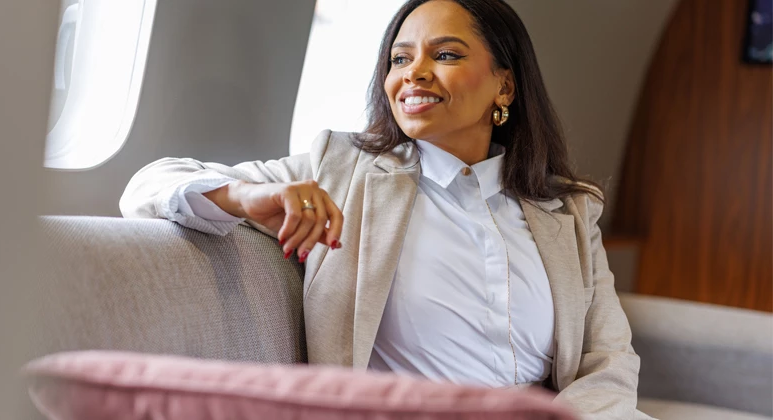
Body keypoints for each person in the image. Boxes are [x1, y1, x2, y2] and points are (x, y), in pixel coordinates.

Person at [120, 0, 652, 418]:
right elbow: (148, 185)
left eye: (445, 55)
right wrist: (248, 197)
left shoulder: (569, 210)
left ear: (504, 84)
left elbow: (610, 361)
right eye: (400, 58)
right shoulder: (341, 167)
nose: (413, 73)